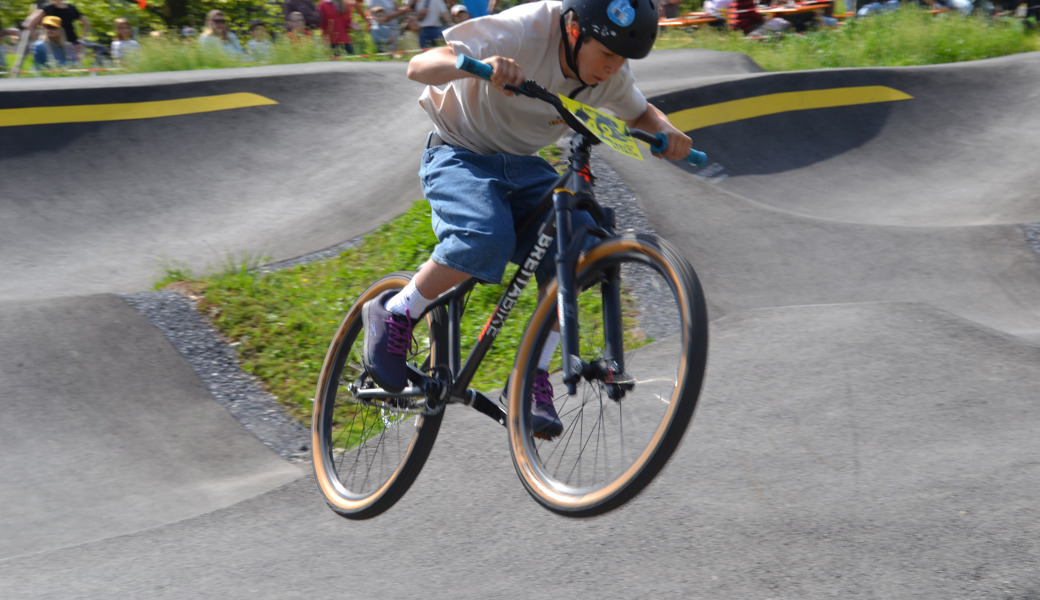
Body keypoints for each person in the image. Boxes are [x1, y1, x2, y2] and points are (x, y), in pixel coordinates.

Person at [362, 0, 692, 437]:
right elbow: (419, 66)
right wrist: (478, 64)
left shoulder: (611, 72)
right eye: (608, 56)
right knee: (483, 237)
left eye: (622, 60)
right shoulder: (525, 29)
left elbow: (641, 114)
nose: (613, 69)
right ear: (574, 31)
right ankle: (396, 312)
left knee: (575, 250)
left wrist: (666, 131)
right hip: (459, 152)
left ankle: (529, 375)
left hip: (524, 166)